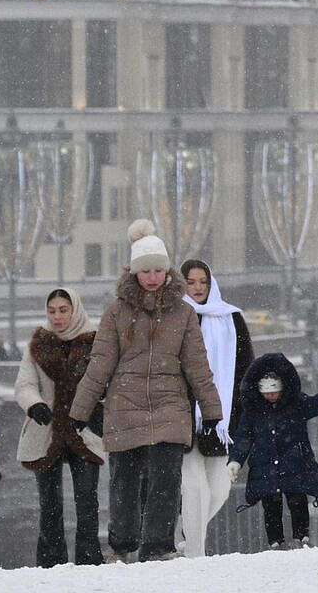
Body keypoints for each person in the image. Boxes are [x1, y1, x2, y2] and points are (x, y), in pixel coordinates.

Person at [69, 219, 223, 563]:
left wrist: (212, 410)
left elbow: (197, 366)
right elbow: (100, 364)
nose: (152, 277)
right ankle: (123, 543)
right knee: (124, 479)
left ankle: (158, 546)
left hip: (170, 404)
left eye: (158, 270)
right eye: (145, 271)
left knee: (165, 479)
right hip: (125, 403)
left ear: (167, 271)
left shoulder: (183, 313)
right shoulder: (116, 312)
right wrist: (80, 411)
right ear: (134, 272)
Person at [15, 287, 107, 567]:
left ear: (75, 310)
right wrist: (35, 405)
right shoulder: (38, 344)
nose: (57, 317)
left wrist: (96, 409)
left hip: (83, 430)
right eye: (52, 311)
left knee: (87, 500)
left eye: (63, 310)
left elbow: (106, 381)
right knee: (49, 503)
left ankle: (89, 561)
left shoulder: (96, 342)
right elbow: (25, 384)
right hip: (48, 430)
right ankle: (51, 562)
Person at [227, 352, 318, 549]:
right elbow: (243, 438)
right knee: (270, 505)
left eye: (274, 392)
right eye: (266, 393)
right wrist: (236, 460)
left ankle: (301, 537)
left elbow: (317, 404)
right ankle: (276, 541)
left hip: (294, 464)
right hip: (266, 468)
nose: (270, 396)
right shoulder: (253, 412)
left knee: (297, 500)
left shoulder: (296, 405)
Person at [177, 258, 254, 558]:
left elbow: (245, 368)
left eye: (203, 282)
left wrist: (243, 412)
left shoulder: (231, 318)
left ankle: (181, 534)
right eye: (191, 282)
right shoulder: (176, 316)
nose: (198, 288)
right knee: (194, 488)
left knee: (219, 490)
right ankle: (195, 555)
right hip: (184, 417)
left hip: (222, 421)